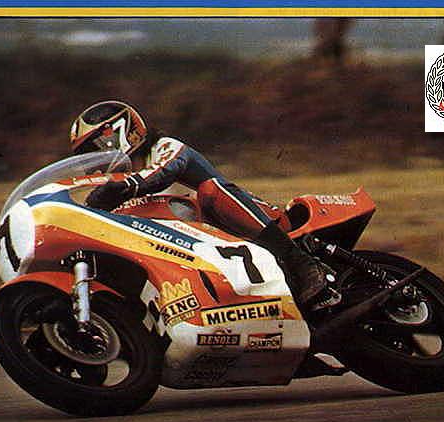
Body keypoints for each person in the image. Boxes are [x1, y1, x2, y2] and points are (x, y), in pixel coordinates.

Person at [69, 100, 340, 310]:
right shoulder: (117, 186)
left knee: (210, 191)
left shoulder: (164, 147)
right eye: (86, 156)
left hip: (252, 221)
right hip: (207, 249)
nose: (94, 159)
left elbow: (165, 171)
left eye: (95, 147)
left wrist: (125, 186)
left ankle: (302, 263)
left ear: (121, 130)